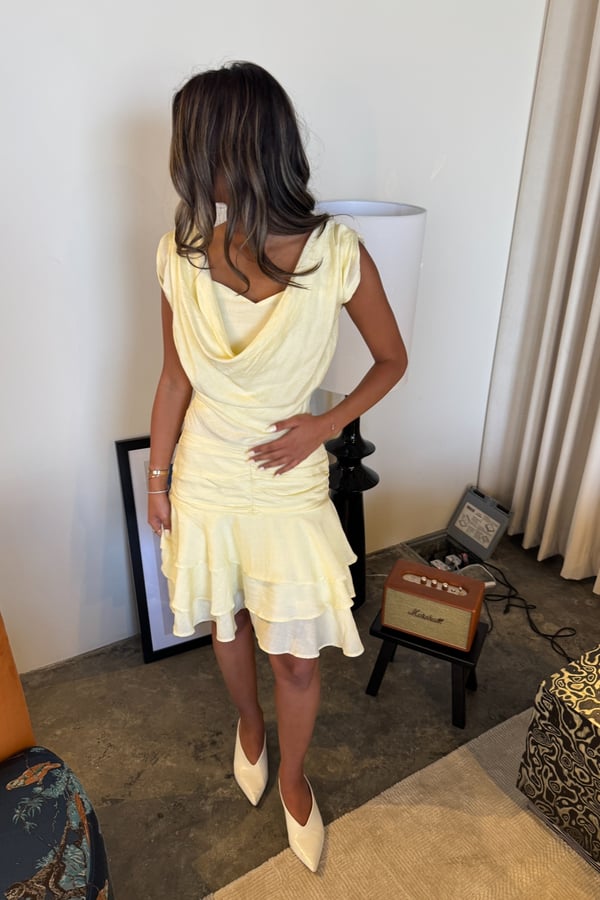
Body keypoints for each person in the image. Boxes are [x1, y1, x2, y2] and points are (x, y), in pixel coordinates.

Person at [147, 61, 407, 873]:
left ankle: (293, 776)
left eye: (195, 147)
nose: (185, 165)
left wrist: (324, 427)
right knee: (227, 621)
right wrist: (158, 478)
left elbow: (392, 360)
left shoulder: (337, 254)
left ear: (241, 149)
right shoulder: (180, 256)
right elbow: (174, 379)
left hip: (287, 482)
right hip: (206, 475)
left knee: (294, 653)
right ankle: (248, 724)